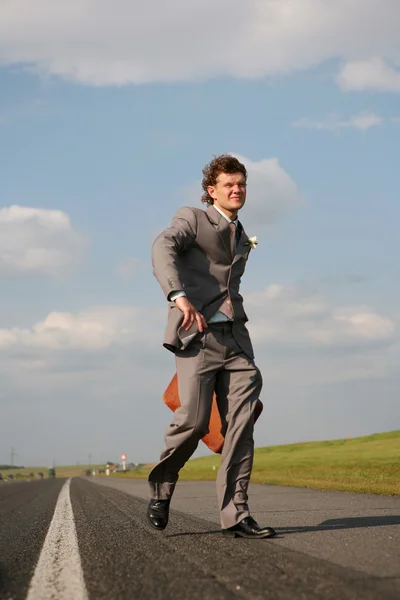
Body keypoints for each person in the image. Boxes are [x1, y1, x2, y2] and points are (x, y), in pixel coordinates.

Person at [147, 154, 276, 539]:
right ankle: (162, 487)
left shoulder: (242, 235)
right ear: (211, 190)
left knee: (241, 427)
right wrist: (178, 295)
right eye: (228, 185)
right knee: (194, 422)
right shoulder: (192, 218)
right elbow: (163, 246)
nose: (237, 190)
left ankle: (236, 514)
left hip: (236, 341)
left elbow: (227, 288)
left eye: (242, 185)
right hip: (198, 337)